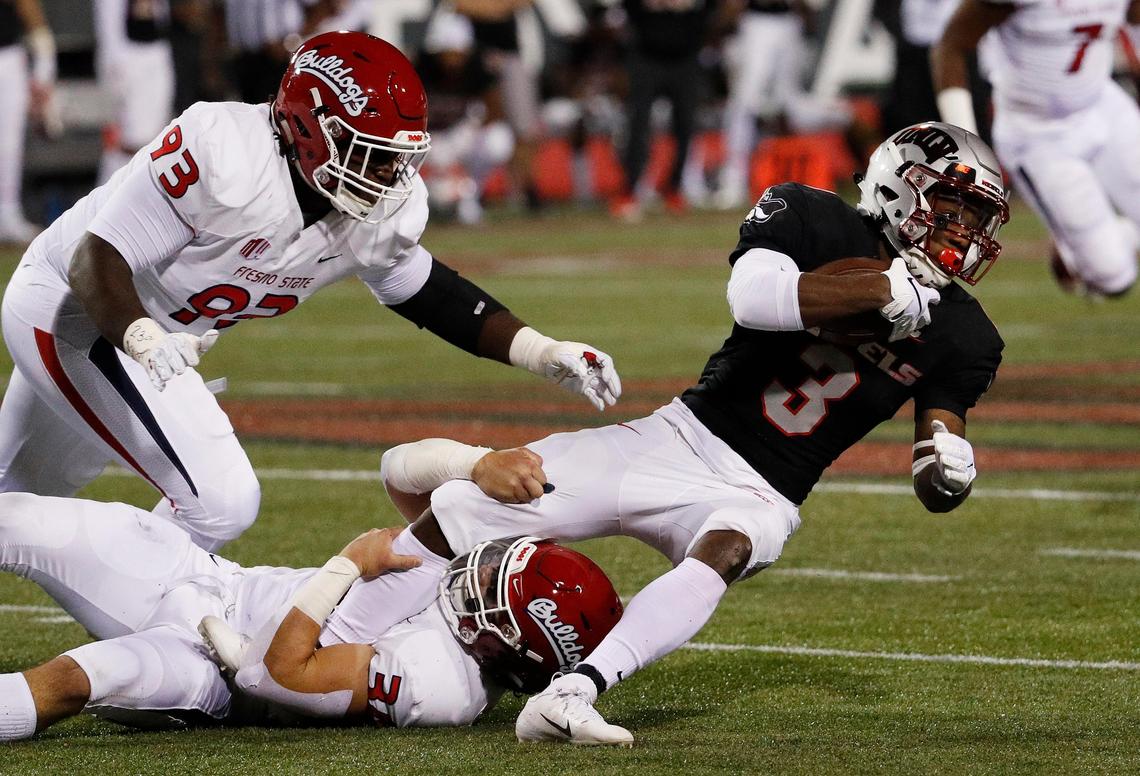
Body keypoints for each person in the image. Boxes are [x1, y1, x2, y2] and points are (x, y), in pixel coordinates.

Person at [313, 121, 1011, 745]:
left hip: (765, 488)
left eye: (978, 219)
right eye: (955, 209)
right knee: (487, 498)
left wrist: (947, 464)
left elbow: (937, 447)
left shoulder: (969, 333)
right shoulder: (811, 214)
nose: (964, 232)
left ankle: (573, 694)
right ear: (901, 187)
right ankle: (330, 644)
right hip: (678, 436)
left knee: (730, 546)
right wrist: (876, 289)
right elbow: (754, 297)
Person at [0, 30, 621, 553]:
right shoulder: (224, 153)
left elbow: (429, 293)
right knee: (221, 500)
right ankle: (154, 631)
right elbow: (94, 258)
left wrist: (541, 350)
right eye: (370, 152)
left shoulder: (369, 213)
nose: (388, 175)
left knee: (15, 499)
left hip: (145, 342)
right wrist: (143, 338)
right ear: (309, 127)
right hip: (76, 314)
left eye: (396, 158)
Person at [0, 491, 623, 739]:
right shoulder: (464, 611)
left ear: (507, 640)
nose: (478, 571)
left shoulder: (440, 685)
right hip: (212, 581)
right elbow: (404, 474)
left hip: (208, 669)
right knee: (16, 517)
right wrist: (474, 464)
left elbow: (272, 675)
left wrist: (347, 566)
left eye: (494, 584)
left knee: (68, 682)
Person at [932, 0, 1140, 297]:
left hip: (1103, 106)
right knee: (1113, 279)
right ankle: (1080, 250)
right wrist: (968, 145)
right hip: (1038, 134)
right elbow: (951, 46)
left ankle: (1099, 235)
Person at [609, 0, 719, 220]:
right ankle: (629, 189)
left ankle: (674, 188)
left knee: (685, 125)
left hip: (685, 57)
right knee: (638, 124)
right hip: (646, 55)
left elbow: (710, 9)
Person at [94, 0, 176, 184]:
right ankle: (105, 203)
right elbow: (108, 24)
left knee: (157, 141)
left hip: (157, 52)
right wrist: (114, 68)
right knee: (127, 144)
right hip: (128, 58)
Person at [0, 0, 57, 243]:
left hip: (6, 57)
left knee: (8, 145)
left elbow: (29, 8)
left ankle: (7, 214)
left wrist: (44, 66)